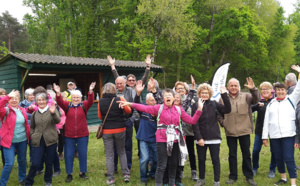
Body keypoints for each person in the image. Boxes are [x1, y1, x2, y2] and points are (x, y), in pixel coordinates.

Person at [118, 88, 204, 186]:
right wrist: (129, 104)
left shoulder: (178, 109)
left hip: (175, 140)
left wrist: (199, 109)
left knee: (173, 164)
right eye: (166, 95)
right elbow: (143, 108)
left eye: (169, 95)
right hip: (162, 140)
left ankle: (172, 183)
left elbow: (192, 121)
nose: (168, 97)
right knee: (162, 165)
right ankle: (158, 183)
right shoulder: (158, 108)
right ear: (163, 98)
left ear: (173, 98)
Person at [262, 65, 300, 186]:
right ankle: (283, 178)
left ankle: (293, 182)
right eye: (278, 90)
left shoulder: (291, 100)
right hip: (274, 136)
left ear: (285, 90)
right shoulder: (271, 104)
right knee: (279, 158)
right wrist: (264, 137)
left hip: (288, 135)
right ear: (276, 91)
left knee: (289, 158)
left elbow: (298, 89)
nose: (280, 91)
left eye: (282, 89)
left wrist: (299, 73)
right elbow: (266, 122)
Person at [219, 77, 259, 186]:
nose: (233, 87)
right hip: (230, 131)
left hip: (244, 130)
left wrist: (253, 89)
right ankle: (233, 176)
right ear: (228, 87)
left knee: (246, 154)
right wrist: (224, 123)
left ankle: (249, 177)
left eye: (235, 85)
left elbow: (256, 100)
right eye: (231, 85)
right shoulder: (222, 98)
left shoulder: (246, 96)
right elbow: (219, 113)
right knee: (232, 155)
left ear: (239, 87)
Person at [53, 82, 96, 183]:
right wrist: (58, 93)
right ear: (71, 98)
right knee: (68, 155)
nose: (76, 99)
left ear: (81, 98)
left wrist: (90, 91)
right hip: (69, 135)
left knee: (82, 154)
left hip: (83, 135)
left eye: (78, 97)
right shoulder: (67, 105)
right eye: (74, 97)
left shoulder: (84, 105)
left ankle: (83, 172)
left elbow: (91, 100)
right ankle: (69, 174)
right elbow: (59, 102)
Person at [192, 83, 231, 186]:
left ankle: (216, 181)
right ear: (199, 93)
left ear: (210, 94)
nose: (204, 94)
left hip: (214, 138)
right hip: (201, 139)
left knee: (215, 160)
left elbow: (228, 109)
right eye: (202, 93)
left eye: (206, 93)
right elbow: (194, 123)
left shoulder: (214, 104)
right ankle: (201, 179)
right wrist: (199, 138)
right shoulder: (195, 105)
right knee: (201, 159)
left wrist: (224, 95)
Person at [98, 83, 132, 185]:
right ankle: (126, 174)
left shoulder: (100, 101)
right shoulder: (120, 98)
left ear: (104, 90)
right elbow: (128, 111)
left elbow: (100, 116)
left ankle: (111, 179)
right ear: (114, 89)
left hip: (107, 131)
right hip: (120, 129)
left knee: (109, 155)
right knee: (122, 152)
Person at [25, 91, 61, 186]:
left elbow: (58, 120)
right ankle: (28, 181)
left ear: (46, 100)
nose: (41, 102)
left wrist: (53, 113)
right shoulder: (34, 114)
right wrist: (33, 134)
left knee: (49, 163)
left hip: (51, 140)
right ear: (36, 102)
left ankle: (48, 181)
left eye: (43, 100)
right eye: (39, 100)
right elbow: (32, 126)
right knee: (35, 163)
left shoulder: (52, 110)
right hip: (38, 140)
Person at [0, 90, 30, 186]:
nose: (14, 100)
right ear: (8, 100)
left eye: (16, 98)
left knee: (22, 161)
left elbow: (26, 124)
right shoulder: (5, 110)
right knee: (9, 164)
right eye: (12, 98)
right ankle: (2, 183)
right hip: (9, 141)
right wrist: (8, 96)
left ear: (19, 100)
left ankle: (22, 179)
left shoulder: (22, 110)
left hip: (22, 140)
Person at [174, 76, 198, 181]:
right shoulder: (174, 101)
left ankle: (194, 171)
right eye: (178, 88)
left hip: (190, 130)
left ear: (185, 89)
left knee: (191, 151)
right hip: (179, 132)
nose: (180, 90)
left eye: (182, 88)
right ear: (175, 90)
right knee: (180, 152)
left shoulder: (191, 100)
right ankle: (181, 170)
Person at [134, 81, 158, 186]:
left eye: (154, 100)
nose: (153, 102)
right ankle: (144, 177)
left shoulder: (159, 111)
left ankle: (152, 173)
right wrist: (138, 93)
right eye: (151, 100)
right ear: (147, 102)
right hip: (143, 138)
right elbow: (135, 104)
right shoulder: (143, 109)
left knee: (156, 159)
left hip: (156, 139)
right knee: (145, 159)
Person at [251, 82, 277, 178]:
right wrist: (257, 105)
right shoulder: (258, 101)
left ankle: (272, 169)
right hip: (260, 130)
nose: (265, 91)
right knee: (255, 150)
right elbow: (249, 109)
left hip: (274, 130)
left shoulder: (275, 100)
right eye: (262, 89)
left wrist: (265, 106)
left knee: (274, 151)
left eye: (267, 89)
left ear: (271, 90)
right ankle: (254, 167)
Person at [19, 88, 35, 164]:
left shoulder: (37, 103)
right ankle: (23, 161)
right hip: (23, 127)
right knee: (23, 146)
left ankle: (32, 160)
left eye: (33, 94)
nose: (32, 96)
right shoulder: (21, 104)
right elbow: (19, 114)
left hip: (33, 127)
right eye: (31, 95)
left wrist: (26, 112)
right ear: (27, 96)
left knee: (32, 145)